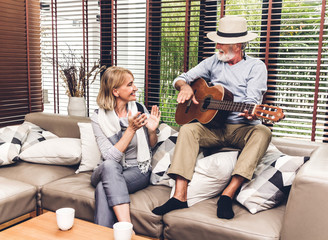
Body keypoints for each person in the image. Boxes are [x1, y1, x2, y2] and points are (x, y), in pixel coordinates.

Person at [152, 15, 271, 219]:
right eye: (218, 41)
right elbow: (180, 79)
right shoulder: (213, 61)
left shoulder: (256, 67)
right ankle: (179, 196)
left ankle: (228, 194)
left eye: (222, 43)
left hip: (241, 128)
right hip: (214, 127)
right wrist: (186, 87)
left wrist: (251, 113)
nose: (218, 46)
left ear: (239, 44)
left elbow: (252, 101)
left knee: (263, 132)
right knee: (188, 129)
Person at [90, 66, 161, 228]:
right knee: (108, 165)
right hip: (107, 169)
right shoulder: (98, 118)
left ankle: (103, 235)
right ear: (115, 91)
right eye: (129, 84)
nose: (135, 88)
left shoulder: (139, 110)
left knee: (103, 189)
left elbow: (151, 145)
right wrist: (131, 130)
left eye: (133, 83)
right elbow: (110, 158)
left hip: (138, 170)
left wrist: (151, 131)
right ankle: (127, 228)